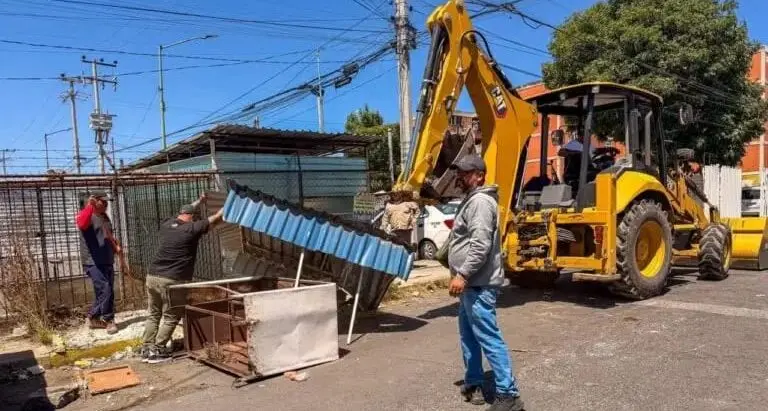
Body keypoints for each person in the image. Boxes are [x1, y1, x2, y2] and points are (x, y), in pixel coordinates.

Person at [447, 154, 525, 411]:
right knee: (468, 335)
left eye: (466, 173)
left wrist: (463, 274)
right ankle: (474, 382)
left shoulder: (480, 202)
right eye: (459, 172)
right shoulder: (471, 201)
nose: (460, 176)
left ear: (480, 175)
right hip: (472, 286)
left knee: (489, 338)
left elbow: (480, 246)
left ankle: (508, 394)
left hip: (477, 284)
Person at [140, 194, 224, 363]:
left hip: (152, 276)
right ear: (192, 217)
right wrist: (231, 204)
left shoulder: (167, 225)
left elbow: (188, 209)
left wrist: (199, 202)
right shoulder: (192, 228)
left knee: (154, 314)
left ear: (180, 214)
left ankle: (146, 348)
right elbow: (216, 218)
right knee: (171, 315)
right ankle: (158, 350)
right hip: (172, 280)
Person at [76, 191, 121, 334]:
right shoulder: (88, 216)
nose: (106, 204)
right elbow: (82, 223)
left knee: (107, 291)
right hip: (93, 261)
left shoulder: (104, 217)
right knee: (105, 289)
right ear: (95, 201)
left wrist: (116, 246)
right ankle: (93, 316)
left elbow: (108, 235)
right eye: (103, 201)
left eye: (107, 202)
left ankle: (105, 319)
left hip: (107, 258)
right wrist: (89, 206)